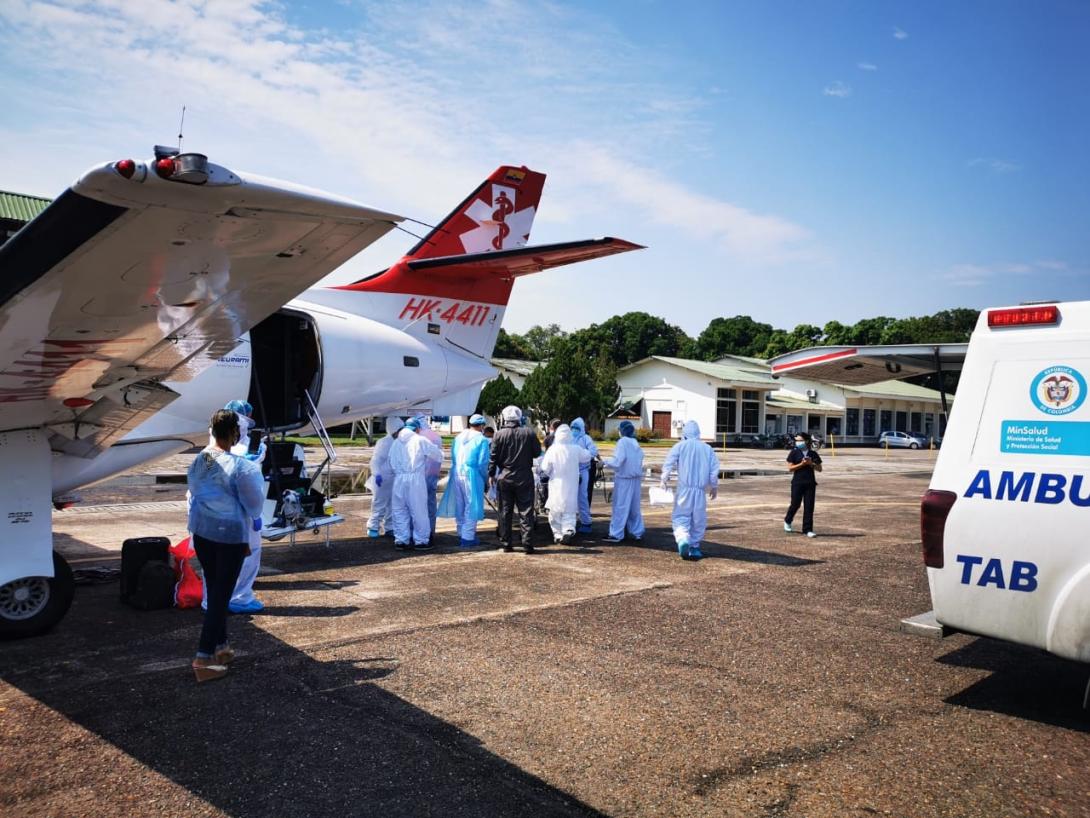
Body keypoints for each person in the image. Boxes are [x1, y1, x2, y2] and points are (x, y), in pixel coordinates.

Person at [186, 409, 266, 682]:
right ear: (235, 433)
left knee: (215, 587)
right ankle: (203, 657)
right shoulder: (243, 467)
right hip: (228, 536)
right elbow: (255, 505)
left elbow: (196, 492)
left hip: (202, 532)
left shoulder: (200, 461)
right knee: (221, 598)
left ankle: (221, 647)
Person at [221, 399, 267, 614]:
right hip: (240, 510)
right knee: (247, 554)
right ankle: (239, 598)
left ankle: (214, 600)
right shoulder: (248, 448)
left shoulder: (214, 445)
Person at [660, 420, 719, 561]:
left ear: (685, 434)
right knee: (698, 520)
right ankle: (695, 547)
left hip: (684, 490)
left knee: (681, 516)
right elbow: (714, 470)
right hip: (700, 491)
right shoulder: (707, 449)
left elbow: (669, 463)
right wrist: (714, 486)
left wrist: (663, 479)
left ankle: (683, 539)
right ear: (698, 434)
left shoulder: (680, 446)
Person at [488, 405, 541, 553]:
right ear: (519, 417)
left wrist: (491, 474)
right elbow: (537, 452)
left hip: (505, 475)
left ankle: (506, 543)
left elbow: (493, 457)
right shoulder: (529, 433)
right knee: (526, 510)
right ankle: (527, 544)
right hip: (524, 475)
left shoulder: (499, 435)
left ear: (505, 418)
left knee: (505, 511)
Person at [389, 418, 443, 550]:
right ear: (417, 428)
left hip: (399, 479)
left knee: (399, 510)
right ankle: (422, 541)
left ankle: (401, 540)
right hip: (415, 479)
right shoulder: (420, 440)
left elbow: (390, 461)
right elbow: (438, 455)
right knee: (419, 510)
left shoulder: (395, 443)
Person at [438, 414, 490, 547]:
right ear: (482, 426)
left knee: (460, 503)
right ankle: (468, 537)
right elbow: (483, 463)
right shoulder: (482, 440)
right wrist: (485, 479)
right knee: (471, 504)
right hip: (472, 473)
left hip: (456, 472)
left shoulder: (458, 437)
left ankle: (461, 532)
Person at [538, 424, 591, 544]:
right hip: (572, 483)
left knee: (555, 509)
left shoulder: (553, 449)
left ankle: (557, 534)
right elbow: (587, 457)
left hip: (556, 483)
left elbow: (545, 468)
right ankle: (568, 530)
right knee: (569, 509)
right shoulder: (576, 448)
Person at [602, 420, 645, 543]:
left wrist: (604, 461)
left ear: (622, 431)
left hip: (624, 480)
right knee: (634, 508)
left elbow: (618, 461)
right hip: (636, 480)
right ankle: (637, 532)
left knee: (620, 507)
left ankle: (616, 534)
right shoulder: (635, 443)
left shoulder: (622, 442)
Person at [367, 416, 404, 538]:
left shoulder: (399, 442)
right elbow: (375, 461)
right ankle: (373, 527)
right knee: (379, 504)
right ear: (393, 429)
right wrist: (376, 474)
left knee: (392, 505)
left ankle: (390, 527)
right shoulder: (384, 442)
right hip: (381, 479)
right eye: (399, 429)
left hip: (393, 478)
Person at [784, 432, 823, 537]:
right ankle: (788, 520)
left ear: (806, 441)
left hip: (810, 483)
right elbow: (790, 468)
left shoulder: (813, 453)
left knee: (809, 506)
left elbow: (820, 469)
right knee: (795, 504)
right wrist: (802, 464)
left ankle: (807, 529)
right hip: (797, 483)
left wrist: (811, 464)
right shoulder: (794, 452)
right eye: (796, 440)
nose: (797, 442)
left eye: (800, 440)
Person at [414, 414, 444, 540]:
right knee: (431, 504)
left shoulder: (418, 437)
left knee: (417, 506)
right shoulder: (436, 436)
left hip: (420, 476)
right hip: (433, 474)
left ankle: (419, 533)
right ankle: (431, 531)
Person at [569, 417, 598, 534]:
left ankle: (586, 522)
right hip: (570, 472)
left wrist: (582, 455)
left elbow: (593, 452)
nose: (574, 430)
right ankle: (569, 523)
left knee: (582, 497)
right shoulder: (569, 438)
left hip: (583, 471)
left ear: (581, 429)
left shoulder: (586, 438)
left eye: (577, 428)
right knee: (569, 498)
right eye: (573, 428)